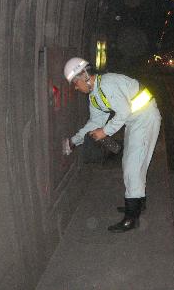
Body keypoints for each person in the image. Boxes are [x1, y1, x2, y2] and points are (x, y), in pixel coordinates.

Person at [63, 57, 161, 233]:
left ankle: (131, 219)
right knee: (131, 164)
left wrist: (105, 131)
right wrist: (74, 141)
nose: (76, 88)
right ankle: (138, 204)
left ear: (84, 75)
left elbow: (123, 112)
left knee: (133, 165)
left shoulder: (106, 84)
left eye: (75, 83)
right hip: (135, 121)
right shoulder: (94, 96)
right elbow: (94, 123)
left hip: (146, 118)